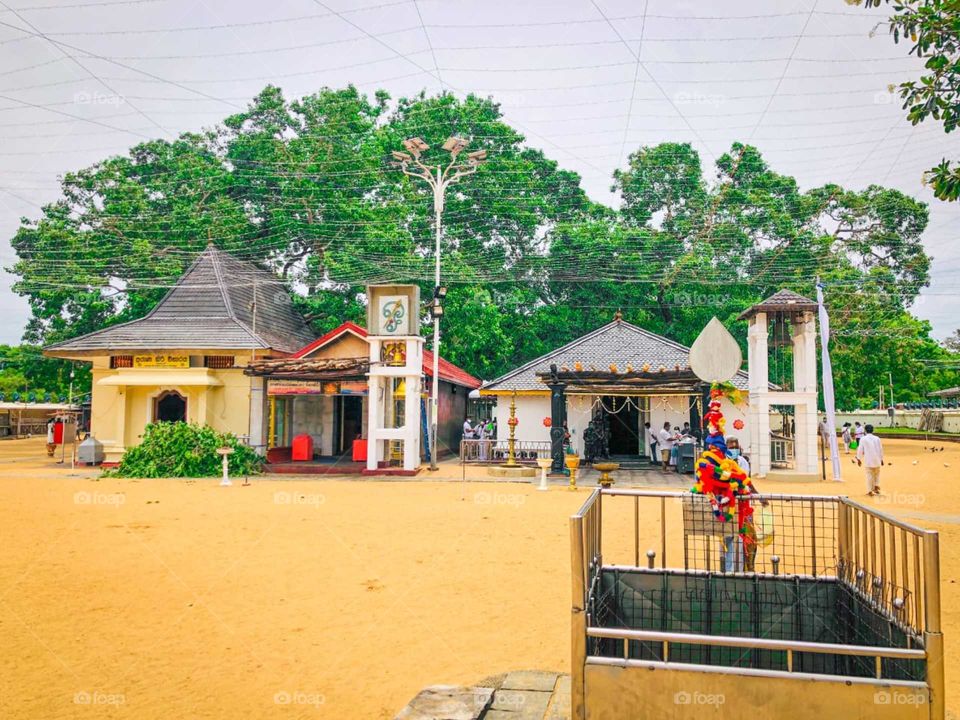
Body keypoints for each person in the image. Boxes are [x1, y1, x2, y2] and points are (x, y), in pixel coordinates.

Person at [856, 424, 884, 496]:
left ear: (865, 430)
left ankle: (870, 490)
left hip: (869, 460)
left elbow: (860, 449)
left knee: (869, 475)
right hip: (877, 459)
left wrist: (859, 459)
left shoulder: (863, 439)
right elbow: (880, 449)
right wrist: (881, 459)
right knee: (877, 474)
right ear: (872, 430)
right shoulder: (877, 438)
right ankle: (876, 486)